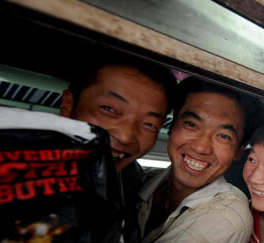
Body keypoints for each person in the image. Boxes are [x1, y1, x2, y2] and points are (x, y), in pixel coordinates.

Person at [124, 77, 264, 243]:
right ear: (172, 128)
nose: (201, 147)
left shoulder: (226, 215)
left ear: (238, 151)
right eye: (191, 124)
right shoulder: (142, 180)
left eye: (223, 136)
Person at [59, 58, 177, 203]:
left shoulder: (131, 181)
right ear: (68, 104)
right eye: (109, 109)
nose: (126, 137)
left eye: (149, 124)